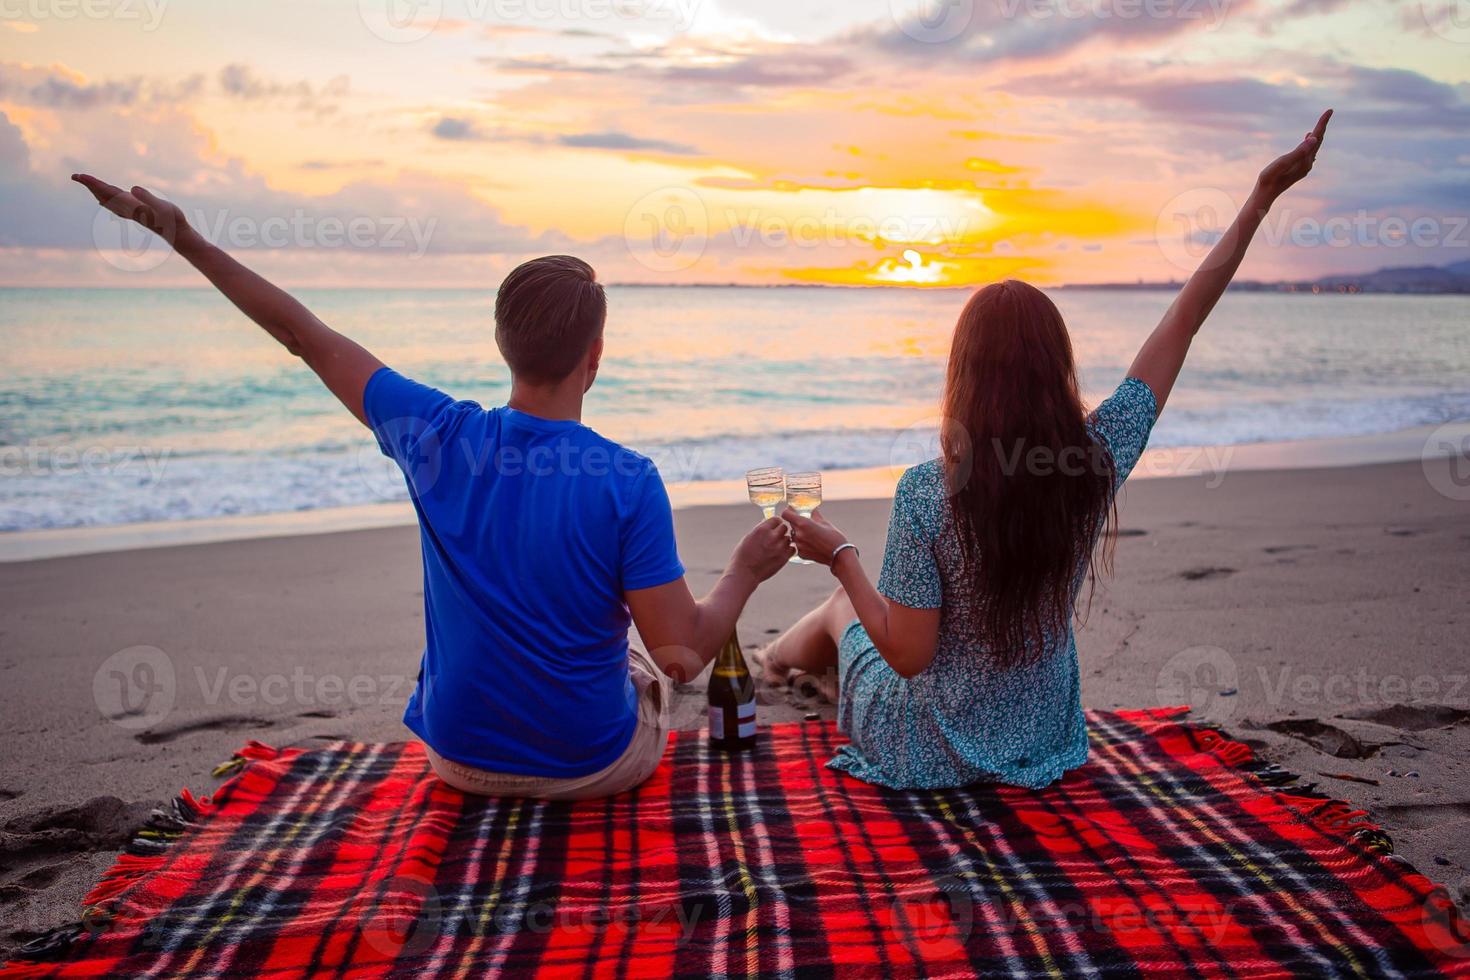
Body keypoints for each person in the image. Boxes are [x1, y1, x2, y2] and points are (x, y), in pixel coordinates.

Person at [68, 179, 795, 799]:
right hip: (591, 766)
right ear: (595, 357)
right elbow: (682, 656)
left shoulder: (435, 436)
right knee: (642, 666)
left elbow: (303, 336)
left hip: (458, 762)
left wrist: (184, 237)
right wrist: (745, 571)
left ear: (502, 345)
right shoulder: (628, 479)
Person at [766, 111, 1334, 790]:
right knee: (857, 616)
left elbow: (911, 658)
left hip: (928, 751)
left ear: (963, 376)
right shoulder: (1093, 458)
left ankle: (771, 662)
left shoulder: (928, 490)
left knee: (844, 611)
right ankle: (777, 660)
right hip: (1043, 743)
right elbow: (1182, 320)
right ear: (1056, 365)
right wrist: (1259, 199)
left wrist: (840, 556)